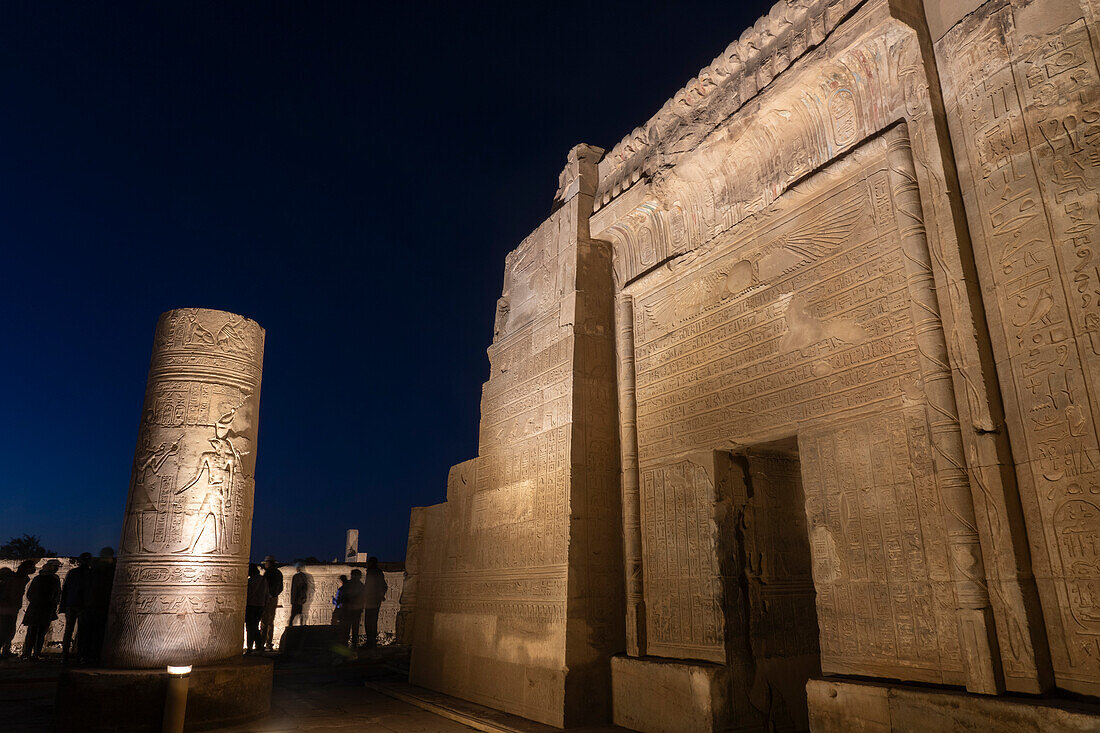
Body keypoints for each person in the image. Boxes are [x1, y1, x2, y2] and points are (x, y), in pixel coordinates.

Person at [80, 547, 115, 664]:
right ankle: (95, 656)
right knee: (99, 632)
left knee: (89, 632)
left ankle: (86, 656)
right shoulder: (109, 570)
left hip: (90, 604)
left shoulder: (93, 570)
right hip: (101, 604)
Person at [21, 560, 62, 660]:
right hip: (46, 609)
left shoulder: (37, 579)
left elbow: (29, 594)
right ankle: (36, 653)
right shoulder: (54, 581)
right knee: (40, 633)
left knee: (32, 632)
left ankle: (27, 653)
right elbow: (57, 596)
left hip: (34, 609)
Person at [60, 553, 93, 663]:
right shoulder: (90, 573)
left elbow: (65, 590)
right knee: (82, 631)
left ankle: (65, 655)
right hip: (83, 605)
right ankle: (80, 655)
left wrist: (63, 606)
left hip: (71, 604)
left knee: (68, 631)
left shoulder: (73, 573)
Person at [0, 561, 35, 658]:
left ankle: (6, 651)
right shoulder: (12, 579)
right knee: (5, 631)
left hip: (12, 608)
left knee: (9, 631)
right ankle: (5, 651)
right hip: (6, 608)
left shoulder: (22, 579)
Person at [362, 558, 388, 649]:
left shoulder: (372, 572)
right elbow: (384, 586)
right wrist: (381, 595)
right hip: (375, 600)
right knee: (373, 621)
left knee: (369, 621)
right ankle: (371, 641)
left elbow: (369, 587)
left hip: (371, 600)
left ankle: (371, 641)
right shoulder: (378, 572)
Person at [260, 555, 282, 651]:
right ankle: (269, 644)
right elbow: (280, 588)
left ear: (268, 563)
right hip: (274, 598)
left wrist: (267, 595)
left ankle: (261, 643)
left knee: (264, 621)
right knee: (270, 621)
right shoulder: (278, 573)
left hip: (266, 599)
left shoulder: (268, 573)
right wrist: (274, 595)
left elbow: (264, 586)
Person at [244, 564, 268, 653]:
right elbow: (266, 594)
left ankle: (250, 647)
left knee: (250, 627)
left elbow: (248, 594)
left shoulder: (250, 581)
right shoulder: (263, 580)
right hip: (260, 605)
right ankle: (259, 645)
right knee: (255, 626)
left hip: (251, 605)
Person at [340, 569, 365, 648]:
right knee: (355, 627)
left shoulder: (347, 584)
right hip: (356, 610)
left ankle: (345, 643)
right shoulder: (361, 586)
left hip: (348, 609)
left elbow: (342, 596)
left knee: (347, 627)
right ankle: (353, 644)